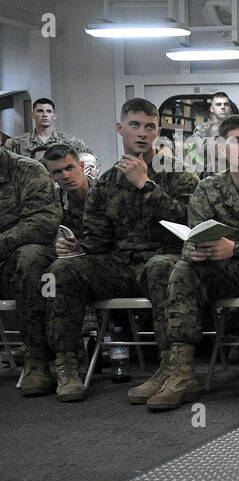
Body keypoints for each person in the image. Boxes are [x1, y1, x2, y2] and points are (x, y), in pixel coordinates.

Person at [42, 99, 197, 402]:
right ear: (120, 129)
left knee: (163, 267)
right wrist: (77, 248)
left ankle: (169, 369)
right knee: (62, 270)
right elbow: (96, 239)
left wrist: (145, 185)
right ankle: (67, 365)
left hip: (160, 258)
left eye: (149, 127)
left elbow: (190, 222)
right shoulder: (105, 183)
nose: (142, 133)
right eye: (135, 125)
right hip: (118, 265)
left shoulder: (178, 174)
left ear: (158, 131)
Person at [146, 115, 239, 412]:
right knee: (183, 268)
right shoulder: (207, 189)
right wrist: (194, 252)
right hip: (225, 272)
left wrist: (238, 249)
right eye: (237, 141)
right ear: (222, 149)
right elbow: (195, 236)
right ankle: (180, 372)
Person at [1, 147, 60, 395]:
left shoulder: (27, 170)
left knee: (32, 257)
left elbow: (44, 222)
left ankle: (36, 360)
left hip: (14, 260)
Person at [4, 98, 90, 159]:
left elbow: (92, 162)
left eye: (49, 111)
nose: (44, 115)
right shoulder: (15, 143)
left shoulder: (72, 143)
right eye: (40, 111)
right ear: (33, 115)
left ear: (54, 115)